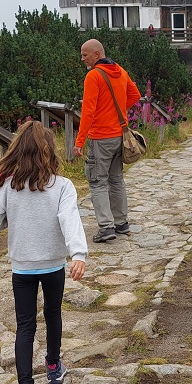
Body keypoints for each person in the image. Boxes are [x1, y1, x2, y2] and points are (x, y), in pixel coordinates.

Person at [0, 120, 87, 384]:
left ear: (17, 150)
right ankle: (53, 367)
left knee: (25, 326)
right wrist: (77, 254)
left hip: (22, 268)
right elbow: (70, 220)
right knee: (53, 314)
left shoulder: (7, 186)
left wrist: (7, 214)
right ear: (49, 150)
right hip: (54, 265)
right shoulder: (62, 186)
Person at [76, 38, 141, 243]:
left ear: (97, 54)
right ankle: (121, 223)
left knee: (97, 182)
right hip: (119, 136)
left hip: (100, 138)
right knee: (116, 180)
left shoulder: (93, 76)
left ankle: (105, 227)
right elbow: (135, 95)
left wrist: (79, 142)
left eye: (85, 55)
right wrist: (117, 112)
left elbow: (88, 111)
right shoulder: (120, 71)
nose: (82, 58)